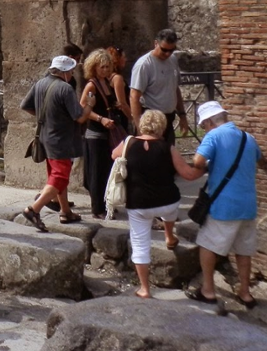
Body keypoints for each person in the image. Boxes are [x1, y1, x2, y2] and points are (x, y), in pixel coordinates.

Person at [113, 110, 201, 298]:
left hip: (138, 203)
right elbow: (188, 174)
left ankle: (145, 289)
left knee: (139, 244)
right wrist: (205, 167)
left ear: (141, 124)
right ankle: (169, 236)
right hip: (167, 201)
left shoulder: (129, 142)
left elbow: (113, 155)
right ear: (162, 127)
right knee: (169, 212)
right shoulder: (167, 147)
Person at [187, 101, 262, 308]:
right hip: (248, 204)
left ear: (210, 121)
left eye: (203, 125)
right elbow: (257, 157)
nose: (204, 129)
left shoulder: (214, 136)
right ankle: (245, 293)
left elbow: (198, 161)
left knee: (208, 244)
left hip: (224, 205)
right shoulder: (248, 138)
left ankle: (208, 290)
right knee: (243, 249)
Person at [19, 55, 96, 231]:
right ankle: (33, 209)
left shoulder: (40, 84)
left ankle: (65, 211)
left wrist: (44, 117)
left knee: (55, 177)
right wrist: (90, 104)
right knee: (60, 177)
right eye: (71, 71)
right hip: (61, 139)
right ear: (66, 72)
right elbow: (80, 117)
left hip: (45, 137)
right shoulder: (66, 89)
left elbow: (25, 105)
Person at [130, 29, 189, 146]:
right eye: (164, 50)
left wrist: (182, 116)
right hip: (151, 121)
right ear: (156, 43)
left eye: (171, 50)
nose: (167, 54)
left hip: (168, 119)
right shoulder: (144, 64)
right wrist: (139, 127)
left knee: (168, 158)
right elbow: (134, 96)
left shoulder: (172, 60)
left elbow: (174, 89)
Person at [80, 49, 119, 220]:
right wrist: (101, 119)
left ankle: (106, 203)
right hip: (95, 133)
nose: (105, 69)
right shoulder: (92, 85)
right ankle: (97, 208)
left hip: (108, 133)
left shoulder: (107, 83)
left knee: (107, 171)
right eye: (102, 67)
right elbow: (83, 108)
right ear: (94, 68)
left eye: (107, 66)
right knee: (97, 172)